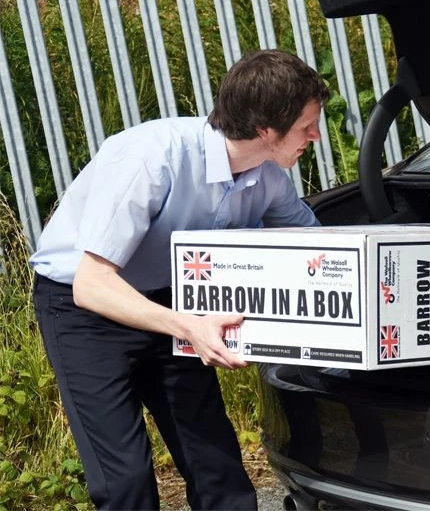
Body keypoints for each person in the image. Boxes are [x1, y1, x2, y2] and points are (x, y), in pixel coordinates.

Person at [29, 49, 329, 510]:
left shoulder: (269, 176)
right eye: (307, 125)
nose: (316, 135)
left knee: (217, 468)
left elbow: (316, 248)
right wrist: (188, 326)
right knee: (124, 478)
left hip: (173, 302)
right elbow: (91, 283)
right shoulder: (151, 158)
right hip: (85, 307)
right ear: (266, 129)